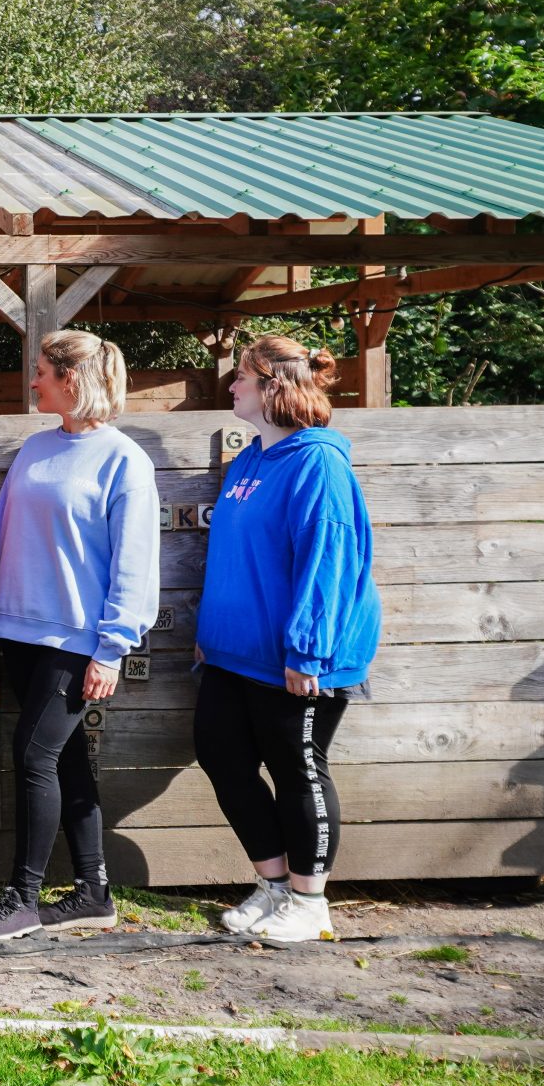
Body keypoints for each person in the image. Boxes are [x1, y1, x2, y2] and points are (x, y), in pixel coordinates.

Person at [0, 330, 159, 940]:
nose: (34, 380)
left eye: (42, 371)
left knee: (33, 756)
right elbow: (2, 541)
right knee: (66, 760)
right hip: (17, 634)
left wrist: (113, 647)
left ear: (72, 379)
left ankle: (23, 896)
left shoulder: (124, 459)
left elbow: (136, 562)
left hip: (77, 642)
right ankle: (94, 892)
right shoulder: (34, 448)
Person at [192, 335, 380, 944]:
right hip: (233, 654)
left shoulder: (317, 462)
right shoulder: (250, 459)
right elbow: (232, 555)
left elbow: (326, 561)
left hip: (297, 659)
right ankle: (273, 887)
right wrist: (209, 635)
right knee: (220, 755)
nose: (232, 385)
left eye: (242, 375)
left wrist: (307, 652)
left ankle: (309, 899)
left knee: (297, 768)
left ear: (274, 384)